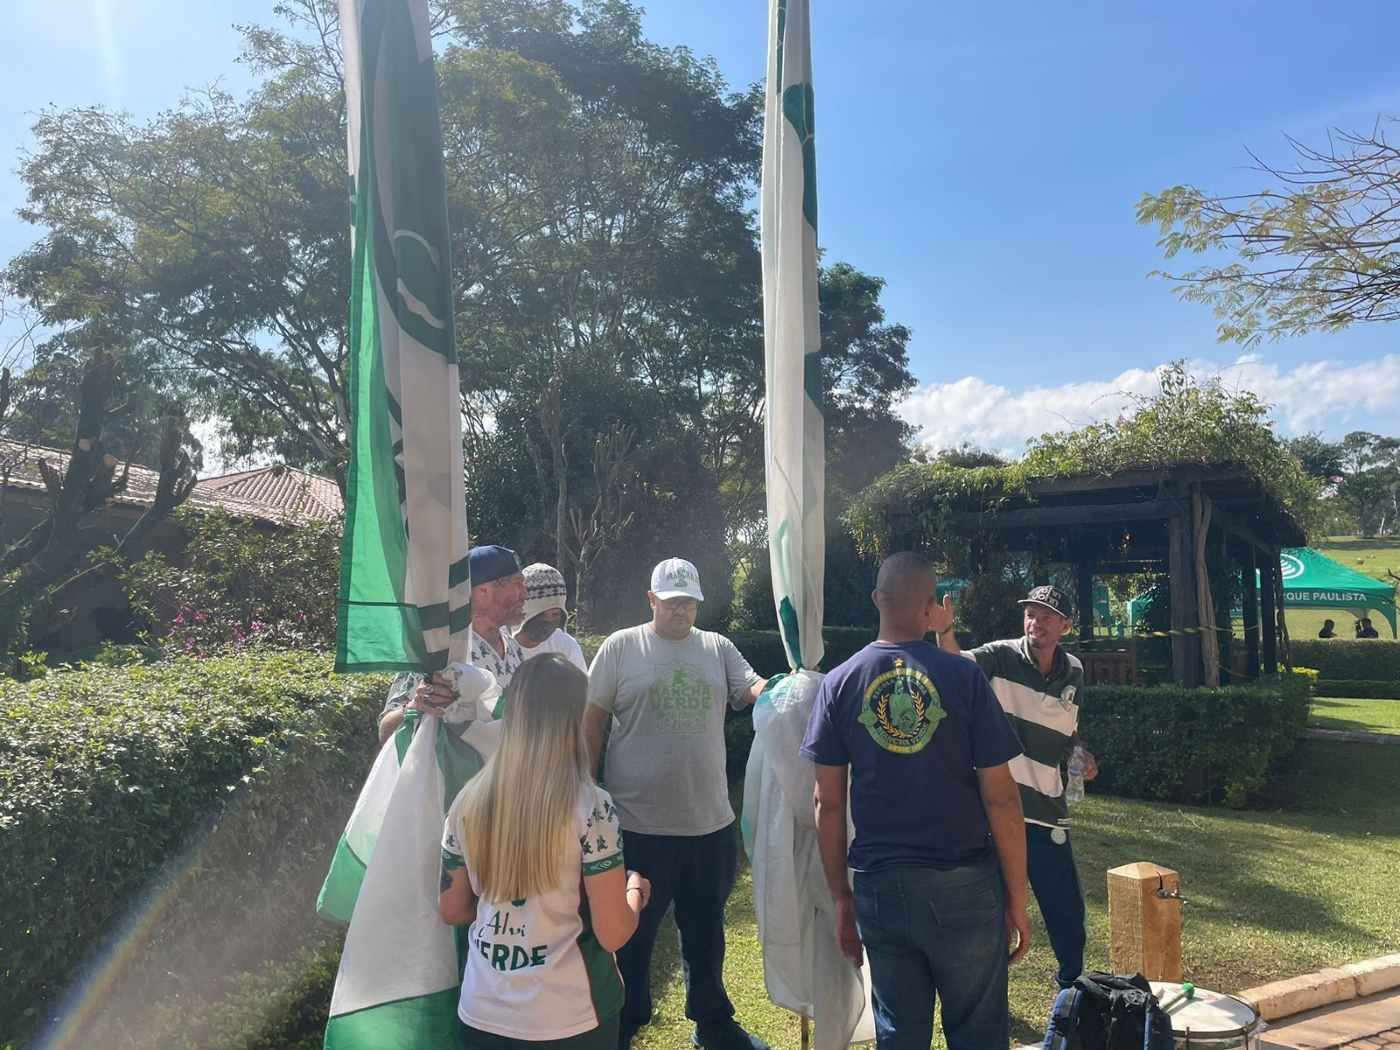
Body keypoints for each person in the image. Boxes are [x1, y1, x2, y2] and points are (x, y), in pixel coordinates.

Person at [802, 551, 1030, 1050]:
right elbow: (1003, 801)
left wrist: (842, 896)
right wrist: (1017, 894)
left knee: (900, 1035)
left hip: (882, 887)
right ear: (931, 610)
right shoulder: (964, 677)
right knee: (979, 1034)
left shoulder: (839, 683)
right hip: (967, 884)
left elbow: (828, 805)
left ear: (876, 601)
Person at [582, 558, 769, 1050]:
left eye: (688, 601)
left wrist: (784, 690)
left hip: (709, 825)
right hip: (638, 827)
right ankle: (622, 1023)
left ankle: (712, 1022)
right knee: (631, 935)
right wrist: (584, 783)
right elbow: (593, 718)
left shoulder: (717, 648)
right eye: (671, 601)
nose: (681, 609)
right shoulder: (622, 648)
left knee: (706, 932)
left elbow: (752, 690)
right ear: (651, 600)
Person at [439, 654, 653, 1050]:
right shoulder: (592, 805)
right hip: (571, 1015)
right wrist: (636, 892)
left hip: (482, 1010)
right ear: (575, 718)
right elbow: (613, 933)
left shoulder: (467, 800)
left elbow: (452, 909)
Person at [936, 583, 1097, 991]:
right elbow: (953, 665)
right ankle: (986, 999)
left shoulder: (1074, 671)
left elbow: (1069, 731)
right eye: (1030, 613)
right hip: (997, 810)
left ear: (1065, 625)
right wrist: (943, 630)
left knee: (1066, 915)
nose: (1035, 622)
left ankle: (1072, 996)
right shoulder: (1001, 656)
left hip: (1048, 812)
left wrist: (1080, 754)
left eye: (1045, 616)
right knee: (990, 916)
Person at [379, 545, 529, 742]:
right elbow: (385, 731)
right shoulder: (438, 648)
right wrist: (416, 707)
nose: (525, 594)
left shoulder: (513, 648)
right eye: (518, 584)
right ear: (483, 590)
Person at [514, 563, 588, 672]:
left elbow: (581, 687)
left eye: (555, 614)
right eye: (540, 614)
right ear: (525, 611)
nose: (548, 621)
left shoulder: (565, 646)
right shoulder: (501, 644)